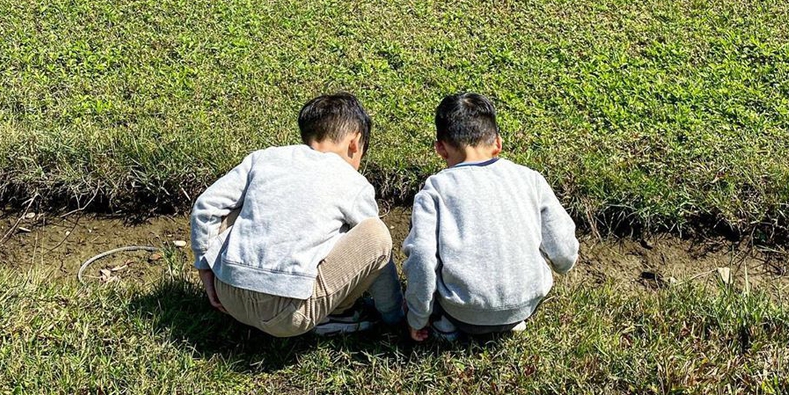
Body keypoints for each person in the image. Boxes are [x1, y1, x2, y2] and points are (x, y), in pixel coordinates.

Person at [190, 92, 403, 337]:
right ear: (354, 143)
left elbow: (207, 206)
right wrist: (394, 315)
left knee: (240, 207)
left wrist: (205, 269)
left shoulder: (264, 158)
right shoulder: (353, 182)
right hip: (290, 316)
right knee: (374, 234)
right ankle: (337, 314)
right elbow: (378, 259)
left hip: (228, 296)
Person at [403, 92, 580, 341]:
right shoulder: (530, 179)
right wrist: (564, 265)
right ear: (498, 143)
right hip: (526, 303)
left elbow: (422, 256)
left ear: (440, 148)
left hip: (462, 310)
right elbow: (563, 248)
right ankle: (509, 323)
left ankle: (445, 324)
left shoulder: (435, 189)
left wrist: (418, 316)